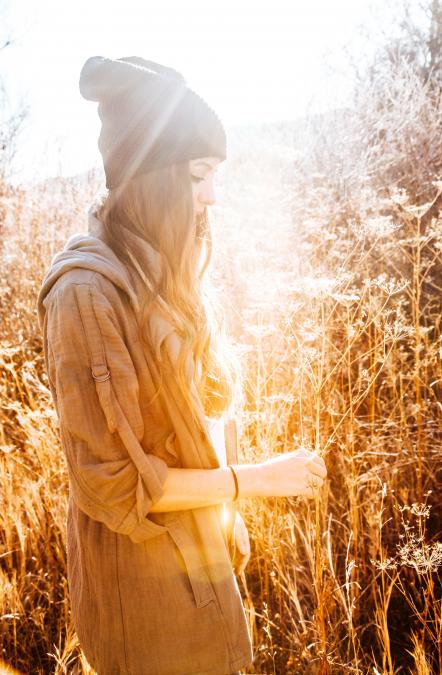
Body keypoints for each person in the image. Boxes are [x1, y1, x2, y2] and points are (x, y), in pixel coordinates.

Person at [36, 56, 327, 675]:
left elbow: (197, 413)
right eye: (199, 174)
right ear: (152, 177)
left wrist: (225, 517)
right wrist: (255, 480)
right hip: (145, 593)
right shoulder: (87, 294)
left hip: (201, 560)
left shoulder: (162, 269)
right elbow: (112, 488)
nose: (213, 195)